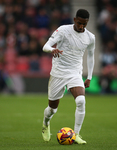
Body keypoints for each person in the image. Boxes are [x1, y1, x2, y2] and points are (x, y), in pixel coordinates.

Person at [41, 9, 95, 144]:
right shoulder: (63, 30)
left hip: (75, 73)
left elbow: (90, 56)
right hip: (58, 73)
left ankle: (76, 134)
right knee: (52, 109)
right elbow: (45, 46)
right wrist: (52, 49)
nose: (82, 27)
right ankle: (45, 124)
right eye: (80, 23)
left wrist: (89, 76)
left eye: (85, 24)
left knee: (81, 101)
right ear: (74, 19)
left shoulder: (90, 37)